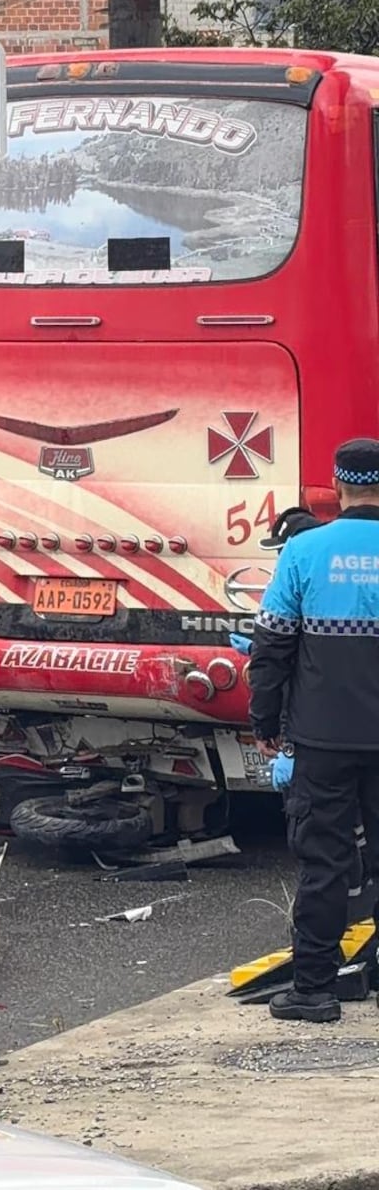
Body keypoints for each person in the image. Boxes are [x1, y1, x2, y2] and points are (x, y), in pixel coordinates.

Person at [249, 439, 379, 1024]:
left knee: (325, 862)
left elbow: (272, 645)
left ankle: (314, 990)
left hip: (325, 736)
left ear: (337, 482)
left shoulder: (303, 550)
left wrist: (265, 722)